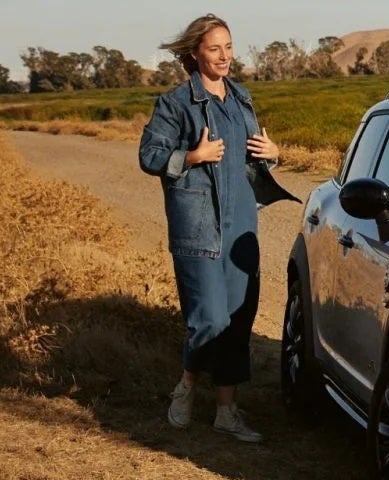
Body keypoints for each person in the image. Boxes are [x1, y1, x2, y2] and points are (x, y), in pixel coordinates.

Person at [138, 14, 297, 442]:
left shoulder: (242, 98)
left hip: (241, 221)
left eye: (228, 47)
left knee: (239, 319)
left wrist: (273, 153)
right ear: (194, 54)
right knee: (208, 317)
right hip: (199, 224)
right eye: (215, 49)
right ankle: (187, 384)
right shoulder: (175, 103)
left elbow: (252, 160)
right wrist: (192, 156)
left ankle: (227, 412)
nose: (225, 56)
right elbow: (150, 156)